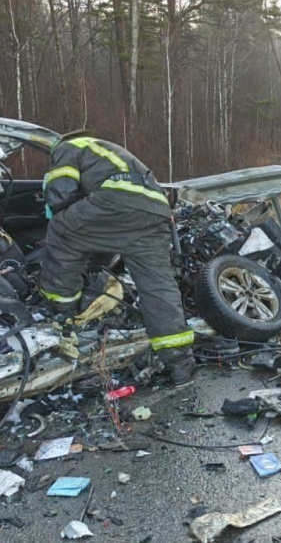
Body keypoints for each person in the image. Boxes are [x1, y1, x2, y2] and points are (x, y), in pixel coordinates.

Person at [39, 131, 196, 384]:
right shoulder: (107, 152)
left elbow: (61, 194)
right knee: (157, 285)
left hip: (116, 200)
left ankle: (62, 314)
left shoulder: (68, 147)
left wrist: (56, 214)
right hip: (155, 209)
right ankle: (180, 363)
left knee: (61, 230)